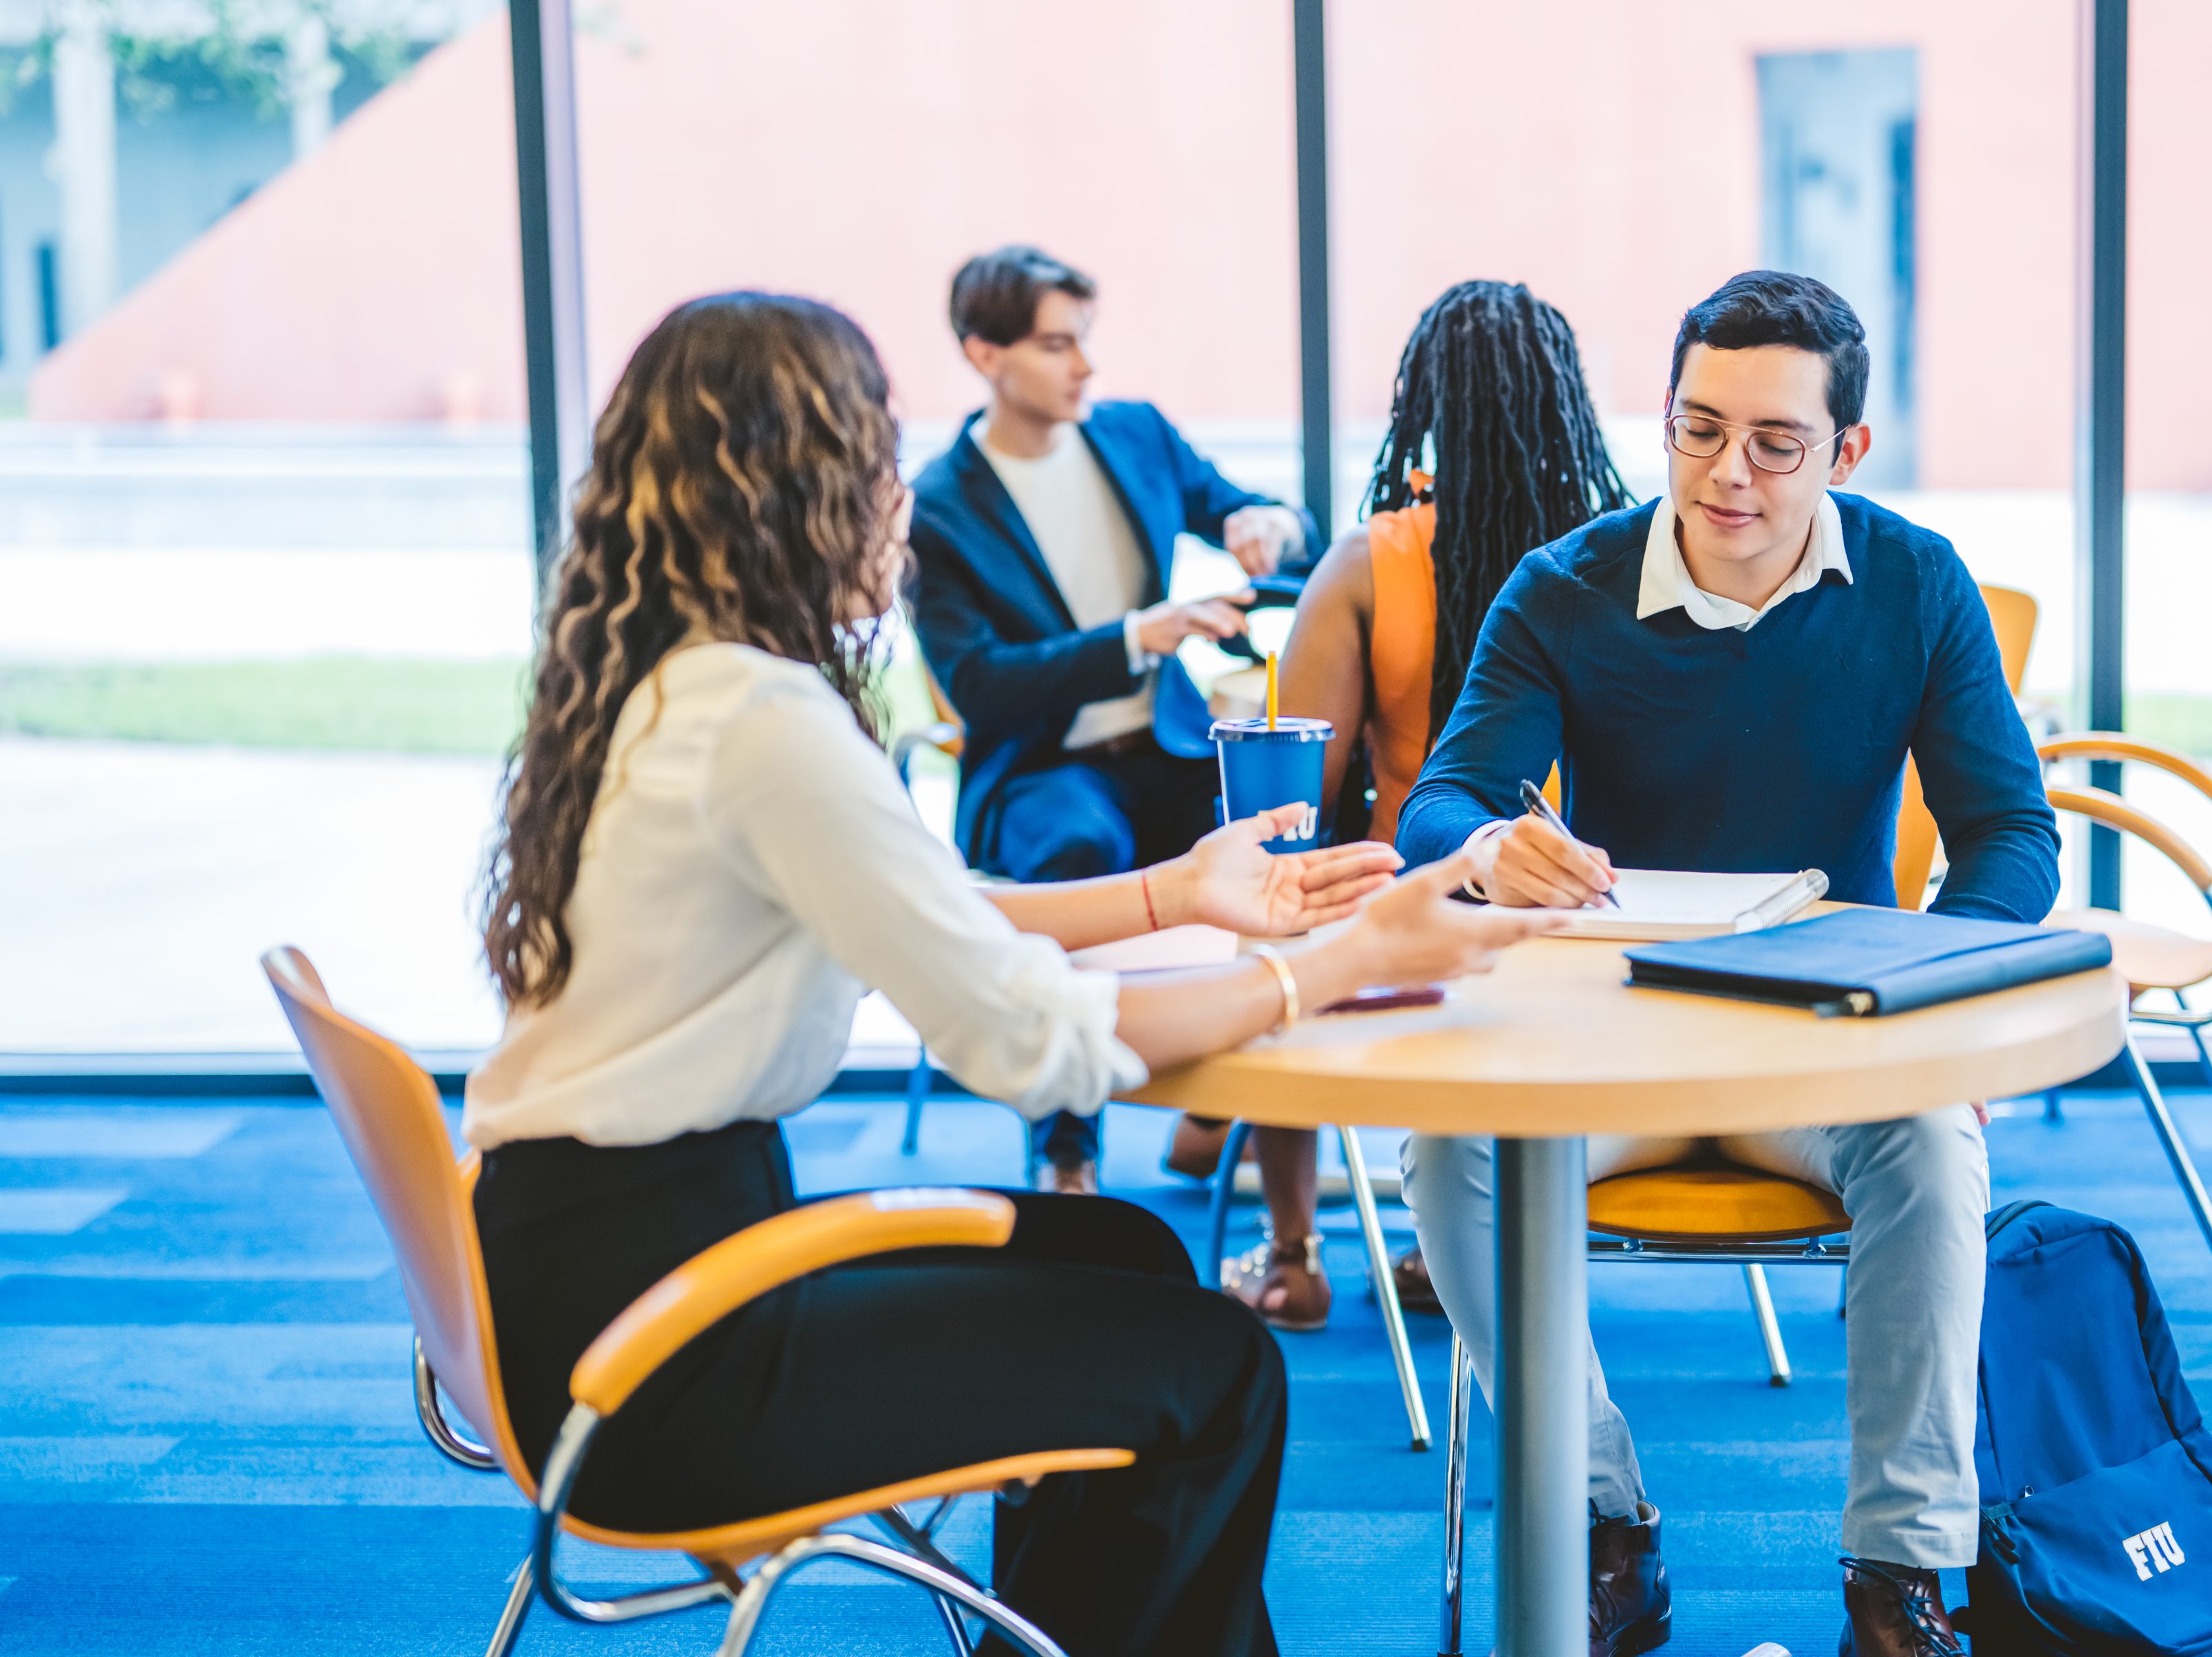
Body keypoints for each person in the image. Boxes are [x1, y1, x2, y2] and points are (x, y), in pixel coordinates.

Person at [464, 293, 1564, 1657]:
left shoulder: (679, 684)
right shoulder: (763, 723)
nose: (899, 507)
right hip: (667, 1357)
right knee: (1208, 1365)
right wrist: (1346, 960)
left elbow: (930, 907)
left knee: (1131, 1250)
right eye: (874, 464)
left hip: (600, 1270)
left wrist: (1177, 888)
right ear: (791, 493)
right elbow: (1030, 1044)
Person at [1392, 271, 2061, 1657]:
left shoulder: (1916, 582)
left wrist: (1942, 988)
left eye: (1774, 441)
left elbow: (2010, 832)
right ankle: (1601, 1525)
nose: (1726, 473)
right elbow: (1445, 798)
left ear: (1846, 451)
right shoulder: (1564, 587)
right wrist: (1488, 846)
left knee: (1937, 1141)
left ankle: (1902, 1577)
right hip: (1614, 1039)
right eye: (1698, 429)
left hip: (1829, 1043)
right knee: (1447, 1143)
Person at [1162, 281, 1629, 1331]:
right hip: (1593, 913)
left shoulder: (1373, 563)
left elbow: (1298, 802)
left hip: (1410, 913)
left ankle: (1292, 1257)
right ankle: (1448, 1236)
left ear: (1423, 406)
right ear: (1567, 403)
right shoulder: (1619, 557)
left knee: (1280, 921)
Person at [908, 246, 1316, 1193]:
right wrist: (1137, 637)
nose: (1084, 367)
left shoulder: (1136, 436)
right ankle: (1068, 1143)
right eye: (1057, 345)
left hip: (1167, 749)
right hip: (1045, 766)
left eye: (1084, 341)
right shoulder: (938, 508)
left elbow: (1259, 511)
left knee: (1287, 839)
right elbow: (980, 686)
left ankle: (1231, 1104)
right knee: (1079, 848)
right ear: (984, 354)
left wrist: (1271, 526)